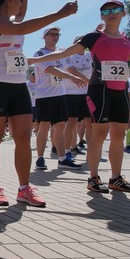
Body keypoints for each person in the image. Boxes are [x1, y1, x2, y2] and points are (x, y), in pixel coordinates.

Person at [0, 0, 78, 207]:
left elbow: (21, 18)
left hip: (18, 86)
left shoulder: (13, 19)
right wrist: (59, 14)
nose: (22, 3)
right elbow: (23, 27)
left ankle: (24, 189)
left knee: (23, 138)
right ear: (9, 0)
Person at [31, 0, 130, 194]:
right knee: (99, 134)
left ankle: (116, 178)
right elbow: (66, 53)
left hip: (120, 91)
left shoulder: (127, 39)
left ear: (123, 13)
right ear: (101, 16)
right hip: (99, 90)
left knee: (118, 135)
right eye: (106, 11)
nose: (111, 13)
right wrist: (35, 60)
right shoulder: (94, 37)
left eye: (116, 9)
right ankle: (93, 177)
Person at [32, 27, 85, 170]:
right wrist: (71, 77)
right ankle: (40, 158)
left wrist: (85, 79)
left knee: (60, 127)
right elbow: (50, 69)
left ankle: (62, 158)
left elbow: (70, 68)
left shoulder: (62, 52)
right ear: (44, 37)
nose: (55, 37)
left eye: (57, 34)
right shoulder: (39, 54)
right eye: (52, 34)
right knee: (43, 126)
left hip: (60, 95)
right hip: (45, 95)